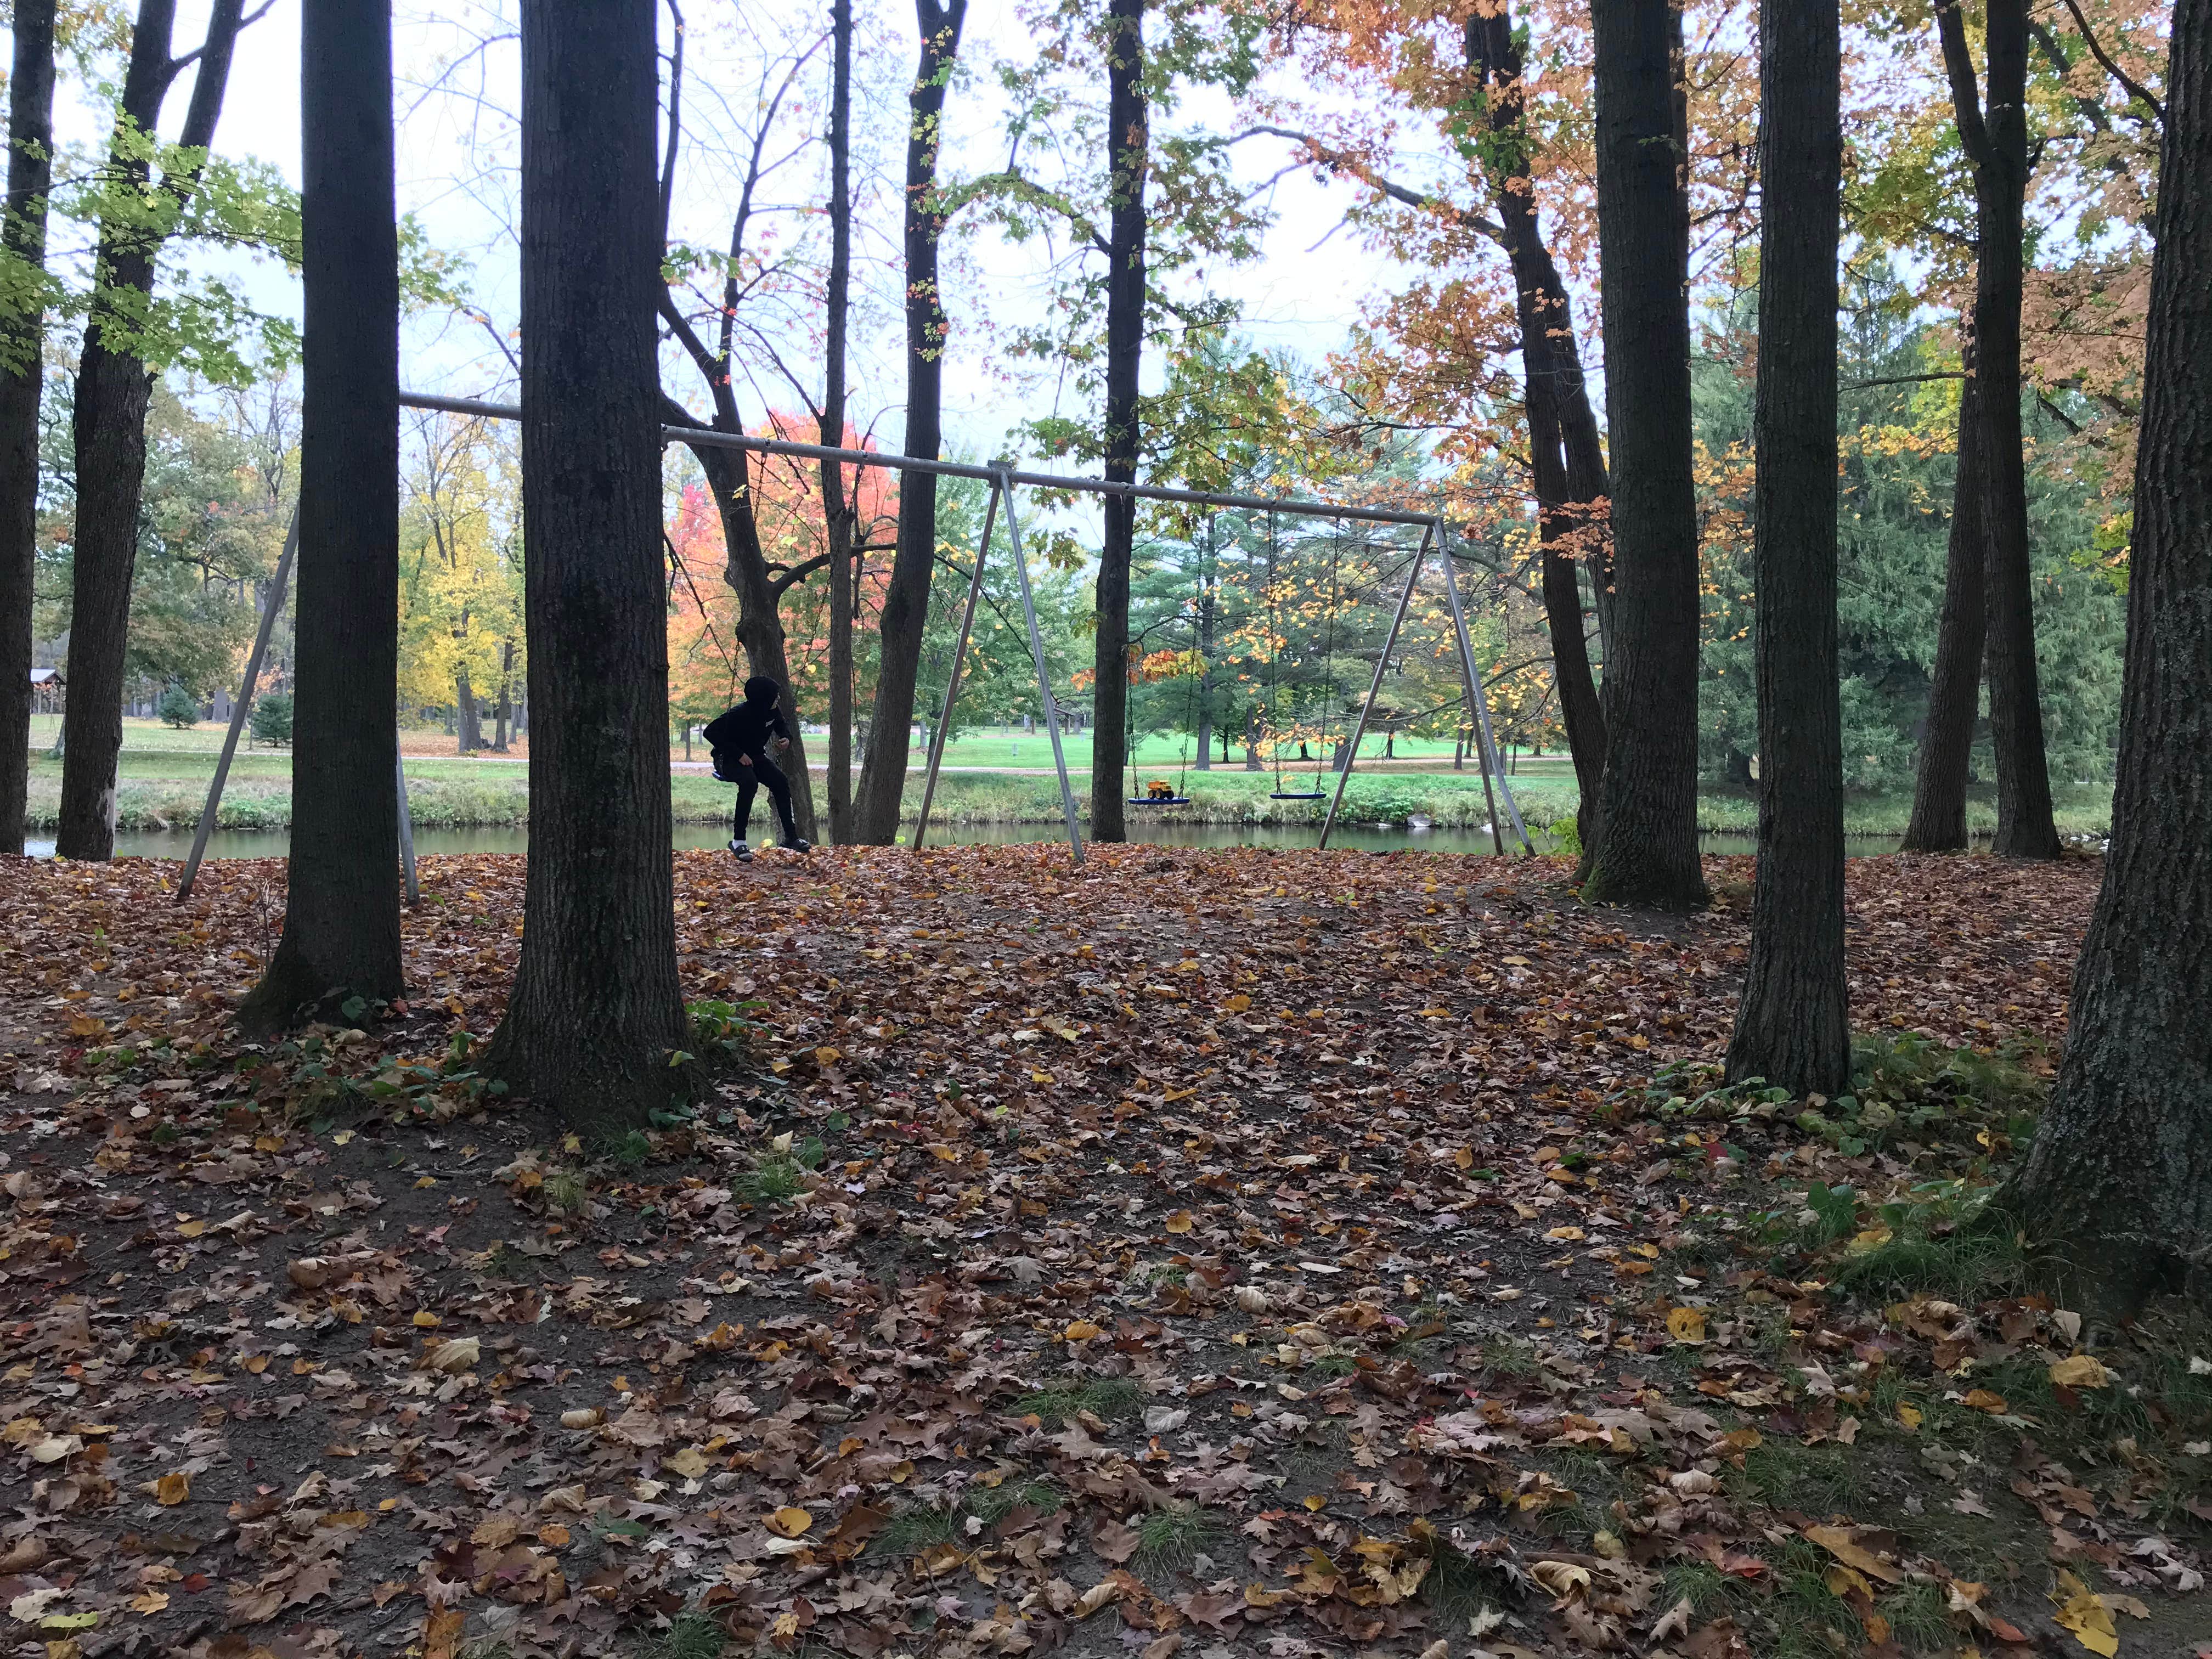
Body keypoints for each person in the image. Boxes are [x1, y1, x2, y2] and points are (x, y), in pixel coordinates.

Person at [704, 676, 809, 859]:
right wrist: (739, 754)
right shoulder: (739, 713)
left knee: (780, 781)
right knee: (749, 782)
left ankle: (791, 837)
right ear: (764, 698)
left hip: (755, 756)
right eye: (775, 695)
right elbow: (710, 732)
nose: (778, 698)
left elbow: (781, 725)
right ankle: (739, 841)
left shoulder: (773, 710)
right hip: (727, 759)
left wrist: (786, 738)